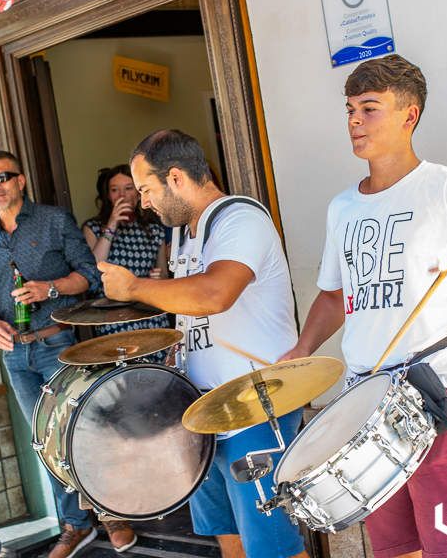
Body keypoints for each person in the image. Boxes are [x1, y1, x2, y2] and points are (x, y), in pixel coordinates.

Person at [279, 55, 447, 558]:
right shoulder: (343, 207)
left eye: (370, 108)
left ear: (409, 115)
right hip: (365, 397)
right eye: (350, 109)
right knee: (394, 548)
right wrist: (302, 348)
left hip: (438, 391)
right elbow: (336, 294)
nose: (355, 121)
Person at [98, 129, 308, 558]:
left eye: (146, 189)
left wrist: (135, 287)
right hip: (205, 411)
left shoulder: (240, 219)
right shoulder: (182, 233)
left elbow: (214, 294)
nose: (143, 201)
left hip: (256, 406)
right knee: (228, 536)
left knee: (273, 548)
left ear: (176, 178)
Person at [0, 151, 136, 556]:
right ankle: (76, 525)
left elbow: (88, 276)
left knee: (85, 429)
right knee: (47, 442)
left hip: (58, 344)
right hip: (16, 355)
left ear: (21, 180)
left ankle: (111, 512)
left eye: (3, 177)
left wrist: (50, 289)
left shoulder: (52, 220)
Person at [81, 164, 170, 360]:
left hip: (149, 313)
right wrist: (112, 223)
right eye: (115, 190)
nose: (121, 195)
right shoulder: (94, 228)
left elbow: (163, 274)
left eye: (128, 188)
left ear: (138, 193)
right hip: (114, 317)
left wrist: (159, 278)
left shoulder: (154, 229)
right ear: (108, 196)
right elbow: (92, 269)